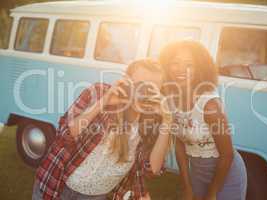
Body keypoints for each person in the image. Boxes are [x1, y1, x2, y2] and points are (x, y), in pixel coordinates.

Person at [32, 59, 171, 200]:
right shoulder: (99, 92)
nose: (145, 94)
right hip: (57, 181)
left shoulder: (155, 120)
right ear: (126, 81)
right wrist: (104, 101)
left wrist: (167, 120)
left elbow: (152, 170)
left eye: (152, 90)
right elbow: (66, 134)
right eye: (140, 86)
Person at [159, 40, 247, 200]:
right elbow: (179, 143)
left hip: (225, 174)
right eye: (175, 63)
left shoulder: (210, 106)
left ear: (199, 68)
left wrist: (212, 194)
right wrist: (187, 186)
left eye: (189, 64)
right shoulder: (169, 100)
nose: (181, 70)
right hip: (197, 172)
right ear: (166, 66)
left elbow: (227, 155)